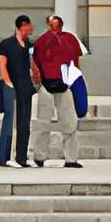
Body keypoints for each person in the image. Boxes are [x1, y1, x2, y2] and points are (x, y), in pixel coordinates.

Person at [31, 14, 86, 168]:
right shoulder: (44, 40)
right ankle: (41, 157)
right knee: (45, 123)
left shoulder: (67, 39)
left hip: (60, 85)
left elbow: (75, 63)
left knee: (68, 123)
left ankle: (68, 158)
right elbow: (35, 64)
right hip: (50, 85)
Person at [0, 15, 38, 169]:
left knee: (24, 122)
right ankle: (4, 158)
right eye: (29, 26)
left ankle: (21, 158)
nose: (31, 29)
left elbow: (32, 64)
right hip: (11, 87)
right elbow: (2, 66)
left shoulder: (29, 45)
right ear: (22, 26)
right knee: (10, 122)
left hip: (26, 87)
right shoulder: (6, 44)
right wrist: (8, 83)